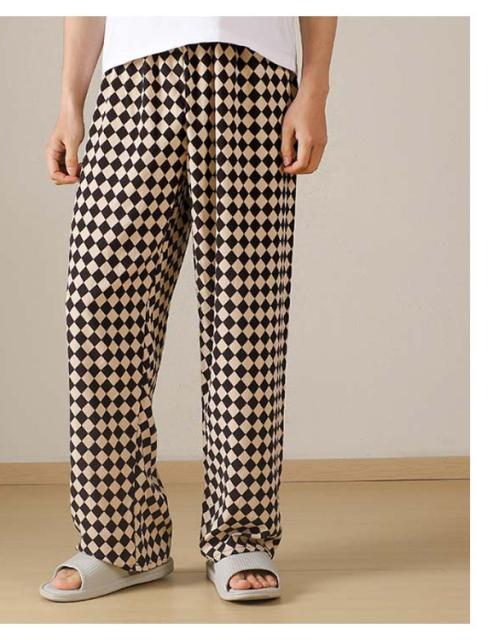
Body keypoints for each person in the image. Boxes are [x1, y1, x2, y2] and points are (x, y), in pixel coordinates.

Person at [40, 16, 337, 603]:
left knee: (246, 317)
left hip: (252, 75)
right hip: (132, 82)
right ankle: (120, 540)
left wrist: (315, 88)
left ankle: (240, 534)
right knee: (98, 306)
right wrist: (71, 102)